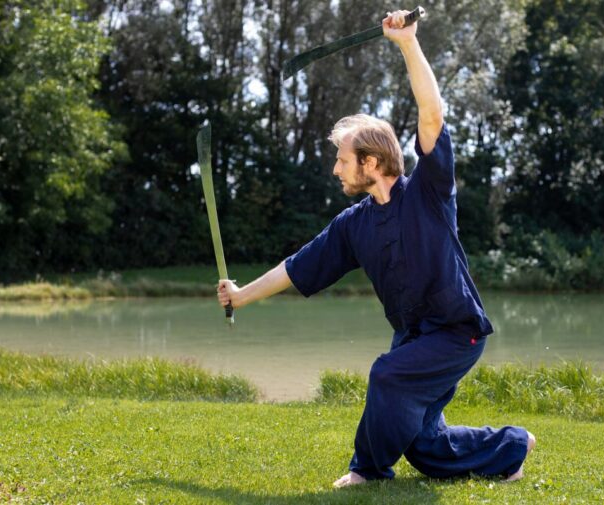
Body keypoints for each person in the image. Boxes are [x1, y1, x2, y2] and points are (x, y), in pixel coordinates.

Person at [217, 8, 535, 488]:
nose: (336, 170)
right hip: (414, 336)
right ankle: (511, 448)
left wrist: (407, 42)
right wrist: (240, 295)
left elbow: (432, 115)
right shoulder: (353, 225)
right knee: (424, 446)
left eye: (342, 160)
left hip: (456, 332)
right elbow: (297, 267)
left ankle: (367, 470)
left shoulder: (428, 191)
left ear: (371, 161)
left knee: (387, 374)